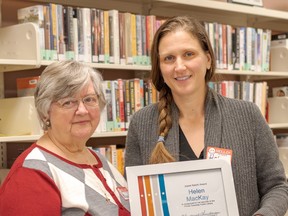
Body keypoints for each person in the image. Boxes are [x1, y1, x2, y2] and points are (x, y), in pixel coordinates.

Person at [124, 16, 288, 216]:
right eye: (169, 58)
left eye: (188, 54)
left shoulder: (247, 116)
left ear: (208, 59)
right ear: (159, 67)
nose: (180, 66)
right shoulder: (142, 124)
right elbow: (134, 198)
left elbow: (277, 187)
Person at [0, 61, 130, 216]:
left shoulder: (99, 160)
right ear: (45, 112)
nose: (82, 110)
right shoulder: (31, 174)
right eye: (68, 102)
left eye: (89, 99)